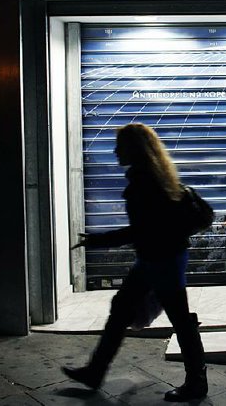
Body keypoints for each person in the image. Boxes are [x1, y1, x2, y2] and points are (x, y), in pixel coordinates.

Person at [62, 123, 208, 402]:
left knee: (179, 319)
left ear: (134, 149)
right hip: (158, 258)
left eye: (120, 146)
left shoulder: (146, 183)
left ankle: (197, 382)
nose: (115, 152)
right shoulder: (153, 177)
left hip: (161, 260)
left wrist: (98, 241)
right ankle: (95, 370)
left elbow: (140, 230)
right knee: (123, 309)